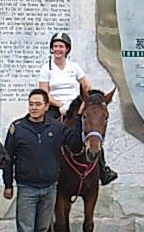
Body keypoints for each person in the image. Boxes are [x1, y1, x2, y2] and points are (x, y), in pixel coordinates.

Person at [3, 88, 83, 232]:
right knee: (25, 231)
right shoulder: (17, 128)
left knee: (41, 231)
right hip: (27, 188)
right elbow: (8, 158)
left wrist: (80, 117)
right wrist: (7, 184)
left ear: (47, 107)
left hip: (49, 188)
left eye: (38, 104)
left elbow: (75, 145)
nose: (34, 108)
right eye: (31, 104)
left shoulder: (56, 128)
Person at [39, 32, 117, 186]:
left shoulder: (74, 67)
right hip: (56, 106)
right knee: (46, 133)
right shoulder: (46, 68)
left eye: (61, 46)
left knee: (93, 129)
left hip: (75, 105)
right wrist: (60, 105)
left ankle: (103, 169)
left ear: (67, 49)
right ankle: (46, 167)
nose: (58, 49)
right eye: (55, 46)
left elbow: (86, 85)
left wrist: (84, 100)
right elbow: (44, 92)